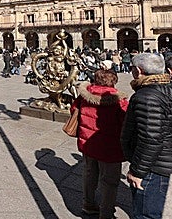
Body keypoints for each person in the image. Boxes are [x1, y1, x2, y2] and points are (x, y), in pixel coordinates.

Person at [121, 52, 172, 219]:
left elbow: (151, 139)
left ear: (138, 70)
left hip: (152, 166)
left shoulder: (147, 96)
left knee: (145, 214)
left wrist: (137, 171)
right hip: (162, 159)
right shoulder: (166, 89)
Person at [71, 69, 129, 218]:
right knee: (109, 182)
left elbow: (73, 110)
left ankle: (88, 204)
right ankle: (106, 213)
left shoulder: (84, 96)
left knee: (89, 175)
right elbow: (127, 122)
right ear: (113, 81)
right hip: (110, 148)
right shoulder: (119, 101)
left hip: (88, 145)